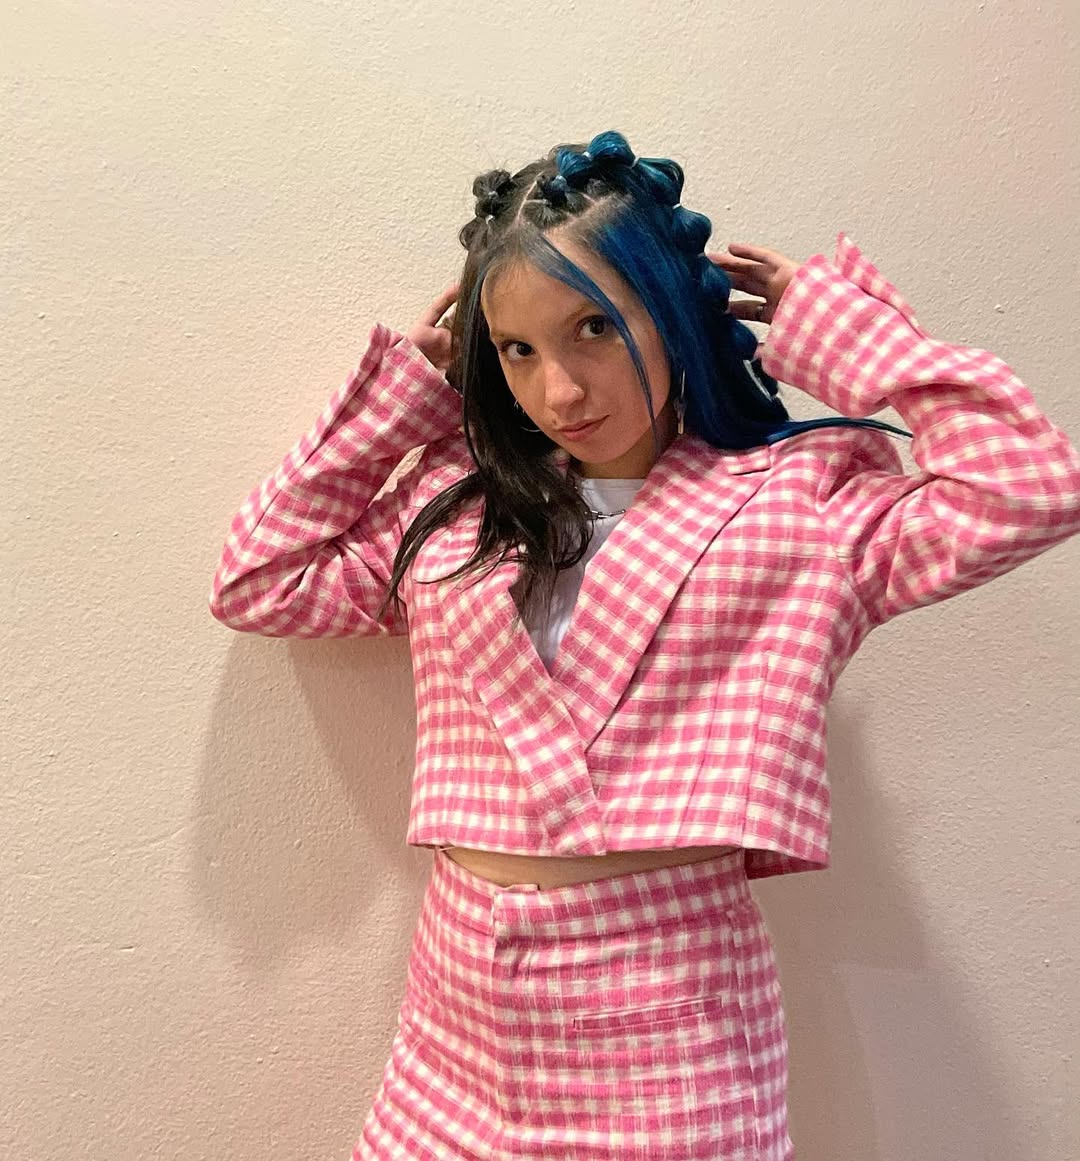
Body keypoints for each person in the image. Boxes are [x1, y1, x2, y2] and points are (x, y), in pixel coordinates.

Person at [208, 130, 1080, 1160]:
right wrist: (399, 404)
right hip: (458, 1012)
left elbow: (1031, 486)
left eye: (594, 329)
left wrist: (849, 335)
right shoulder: (462, 514)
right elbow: (260, 580)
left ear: (666, 311)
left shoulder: (803, 508)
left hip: (670, 1019)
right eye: (518, 350)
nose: (561, 391)